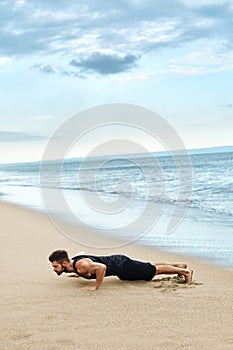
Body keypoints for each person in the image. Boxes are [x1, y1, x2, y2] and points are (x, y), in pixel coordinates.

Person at [48, 250, 193, 291]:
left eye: (56, 266)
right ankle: (179, 266)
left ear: (65, 262)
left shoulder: (82, 265)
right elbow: (86, 258)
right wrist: (78, 274)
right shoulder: (75, 263)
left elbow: (101, 267)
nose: (54, 269)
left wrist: (95, 286)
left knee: (152, 271)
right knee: (149, 265)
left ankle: (186, 272)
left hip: (122, 267)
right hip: (119, 261)